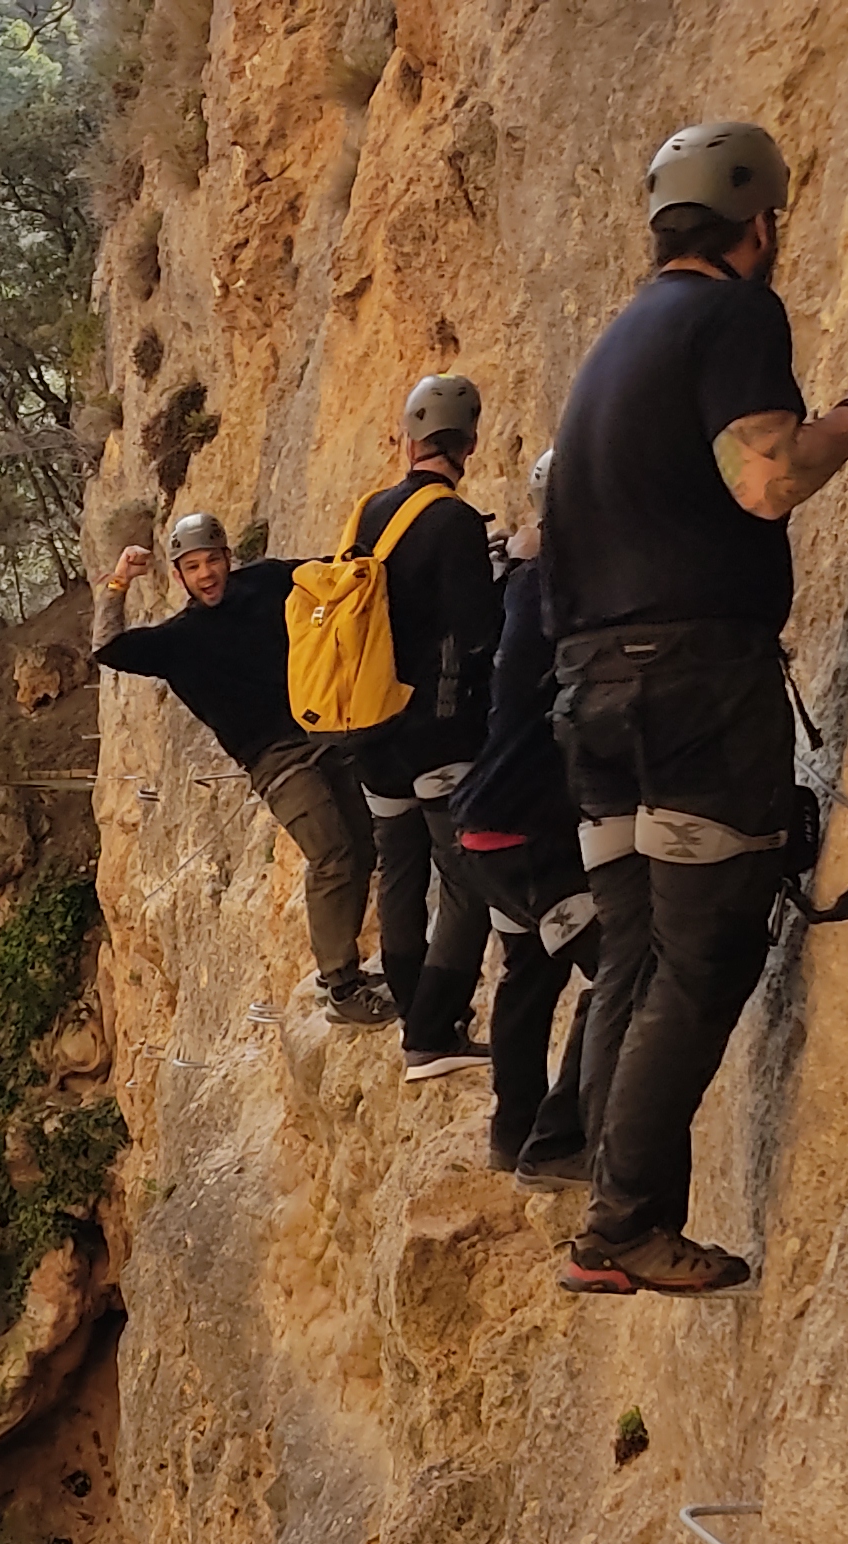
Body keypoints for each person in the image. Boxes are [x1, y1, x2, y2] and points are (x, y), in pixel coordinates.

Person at [543, 119, 848, 1294]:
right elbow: (765, 478)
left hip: (590, 692)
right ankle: (621, 1225)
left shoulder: (613, 344)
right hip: (692, 683)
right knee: (701, 965)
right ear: (759, 222)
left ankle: (603, 1199)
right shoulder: (732, 315)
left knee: (633, 957)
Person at [96, 510, 385, 1019]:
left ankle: (343, 972)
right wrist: (119, 580)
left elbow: (335, 573)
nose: (206, 574)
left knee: (362, 847)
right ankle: (340, 986)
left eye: (213, 560)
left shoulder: (268, 580)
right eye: (193, 566)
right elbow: (108, 647)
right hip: (273, 760)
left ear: (229, 558)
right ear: (179, 576)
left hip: (323, 730)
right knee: (332, 851)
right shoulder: (179, 640)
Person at [426, 447, 600, 1176]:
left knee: (529, 969)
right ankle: (557, 1142)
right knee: (626, 968)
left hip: (484, 829)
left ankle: (512, 1131)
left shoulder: (518, 585)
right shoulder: (571, 590)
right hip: (527, 834)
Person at [335, 374, 507, 1075]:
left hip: (369, 729)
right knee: (464, 879)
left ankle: (412, 1004)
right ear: (469, 444)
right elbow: (479, 633)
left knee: (400, 865)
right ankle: (433, 1032)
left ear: (408, 441)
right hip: (436, 732)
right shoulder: (455, 523)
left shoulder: (365, 513)